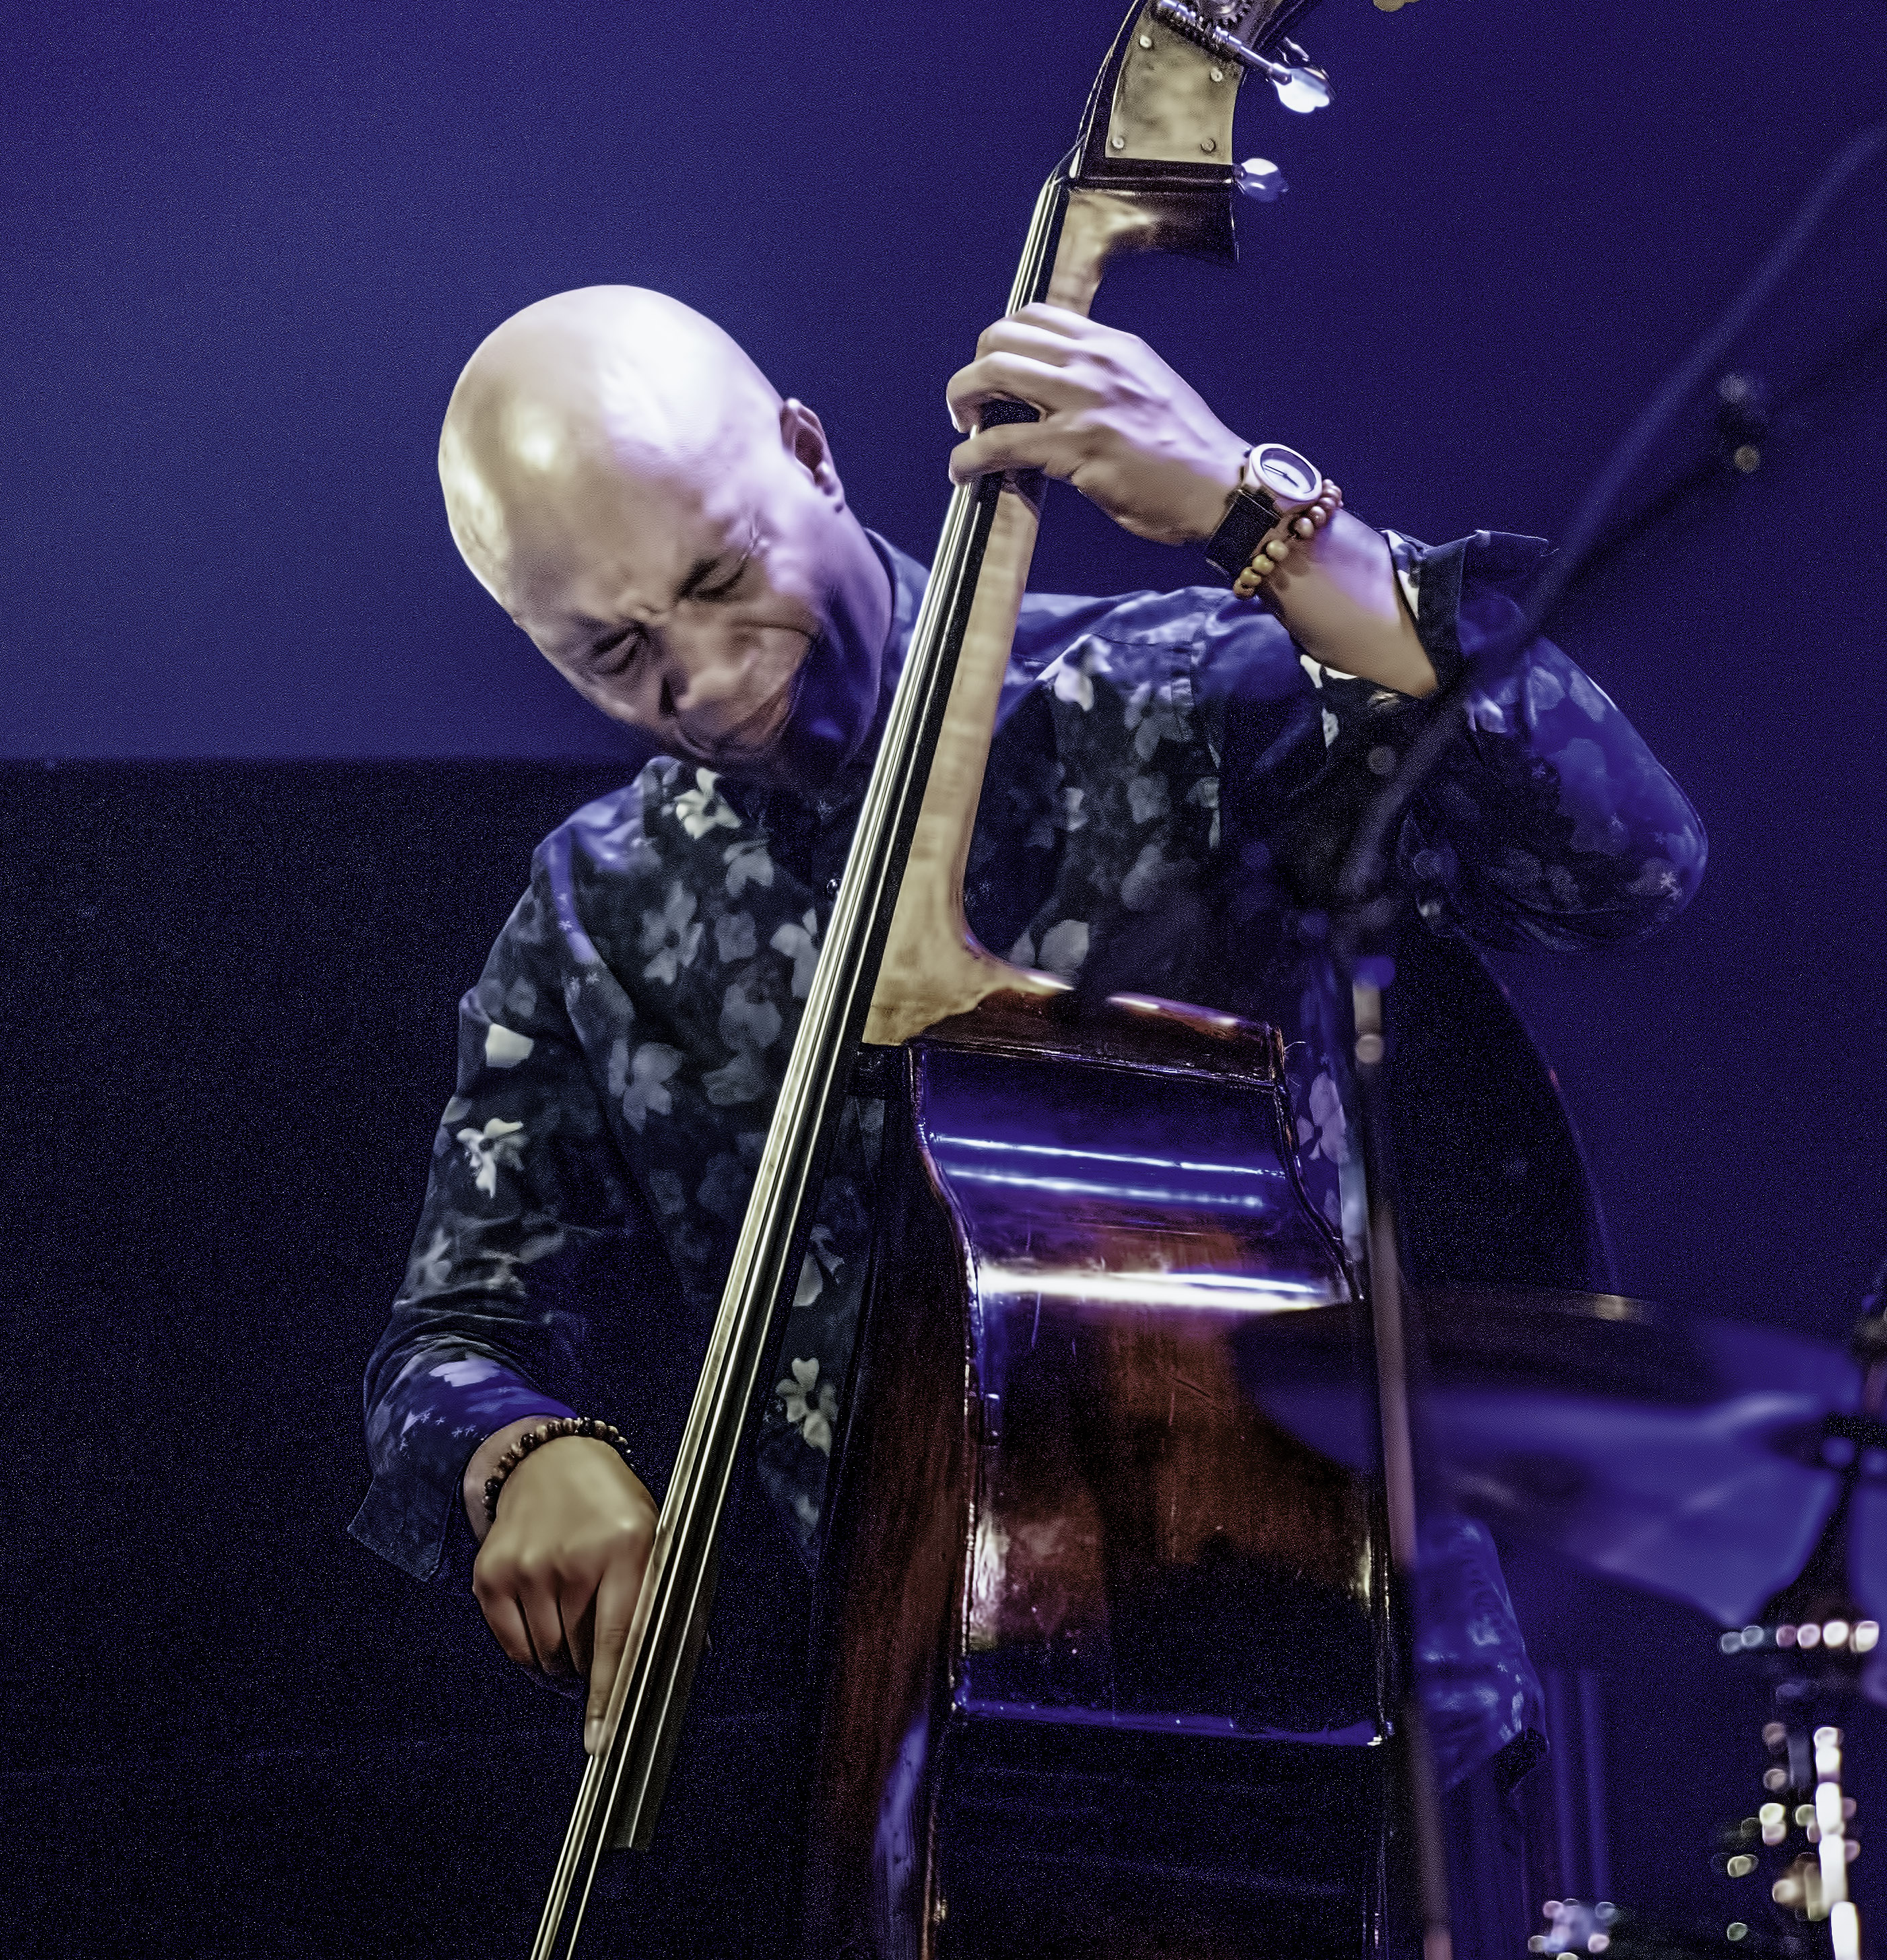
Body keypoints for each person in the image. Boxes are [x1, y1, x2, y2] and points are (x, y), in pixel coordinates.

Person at [350, 280, 1704, 1823]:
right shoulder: (602, 902)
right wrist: (524, 1453)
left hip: (1358, 1743)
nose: (712, 681)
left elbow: (1623, 863)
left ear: (809, 449)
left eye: (725, 576)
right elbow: (451, 1335)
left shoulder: (1172, 700)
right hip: (938, 1789)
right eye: (615, 654)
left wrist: (1268, 523)